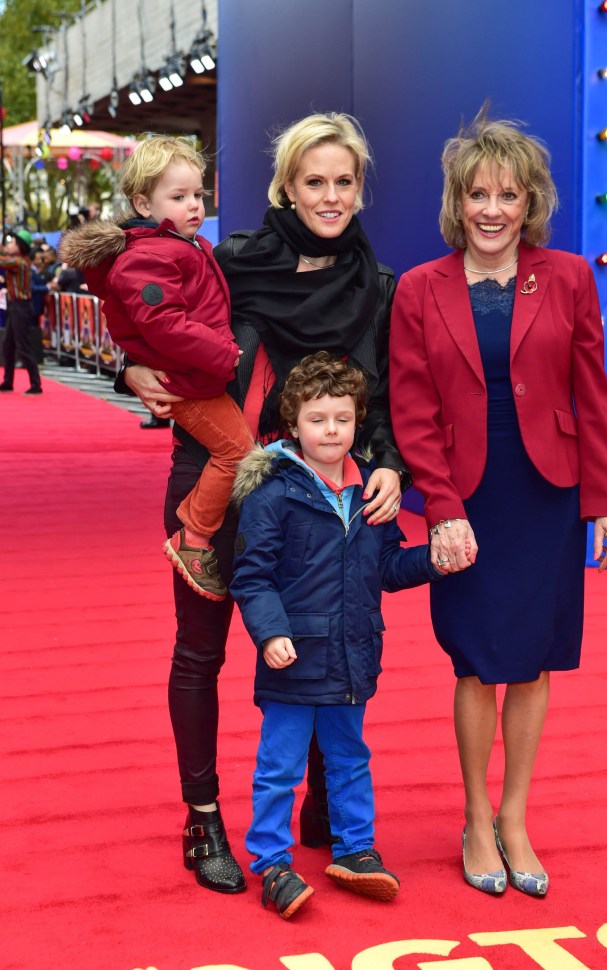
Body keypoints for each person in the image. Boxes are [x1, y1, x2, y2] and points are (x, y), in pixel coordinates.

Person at [118, 113, 409, 894]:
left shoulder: (375, 286)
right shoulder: (232, 263)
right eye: (314, 180)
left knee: (317, 643)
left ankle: (321, 806)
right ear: (285, 185)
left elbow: (381, 401)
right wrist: (128, 369)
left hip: (321, 499)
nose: (330, 195)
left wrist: (388, 464)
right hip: (215, 486)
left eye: (344, 181)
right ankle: (204, 816)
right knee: (202, 651)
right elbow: (150, 316)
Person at [389, 110, 607, 897]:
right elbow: (411, 408)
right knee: (476, 661)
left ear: (531, 204)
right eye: (478, 196)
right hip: (467, 497)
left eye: (509, 196)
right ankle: (474, 815)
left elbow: (591, 396)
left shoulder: (566, 277)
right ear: (457, 202)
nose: (492, 211)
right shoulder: (420, 289)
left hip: (547, 495)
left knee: (531, 664)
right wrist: (442, 505)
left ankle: (516, 818)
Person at [230, 352, 444, 917]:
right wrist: (269, 634)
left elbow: (389, 567)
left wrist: (435, 560)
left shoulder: (371, 492)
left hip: (353, 655)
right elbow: (251, 577)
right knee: (279, 766)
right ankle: (271, 861)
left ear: (357, 421)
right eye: (318, 419)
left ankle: (356, 851)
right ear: (293, 423)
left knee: (350, 758)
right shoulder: (272, 493)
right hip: (293, 659)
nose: (331, 430)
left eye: (343, 419)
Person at [60, 136, 254, 603]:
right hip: (190, 383)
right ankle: (194, 534)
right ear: (143, 202)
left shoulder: (179, 245)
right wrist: (223, 353)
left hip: (194, 379)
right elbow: (164, 324)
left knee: (239, 451)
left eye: (199, 195)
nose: (194, 206)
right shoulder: (150, 254)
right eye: (179, 197)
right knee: (237, 453)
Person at [0, 230, 43, 395]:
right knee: (8, 345)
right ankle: (8, 381)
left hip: (20, 307)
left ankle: (36, 384)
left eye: (12, 243)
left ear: (20, 247)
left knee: (23, 346)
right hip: (16, 306)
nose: (9, 245)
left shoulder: (18, 262)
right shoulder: (20, 260)